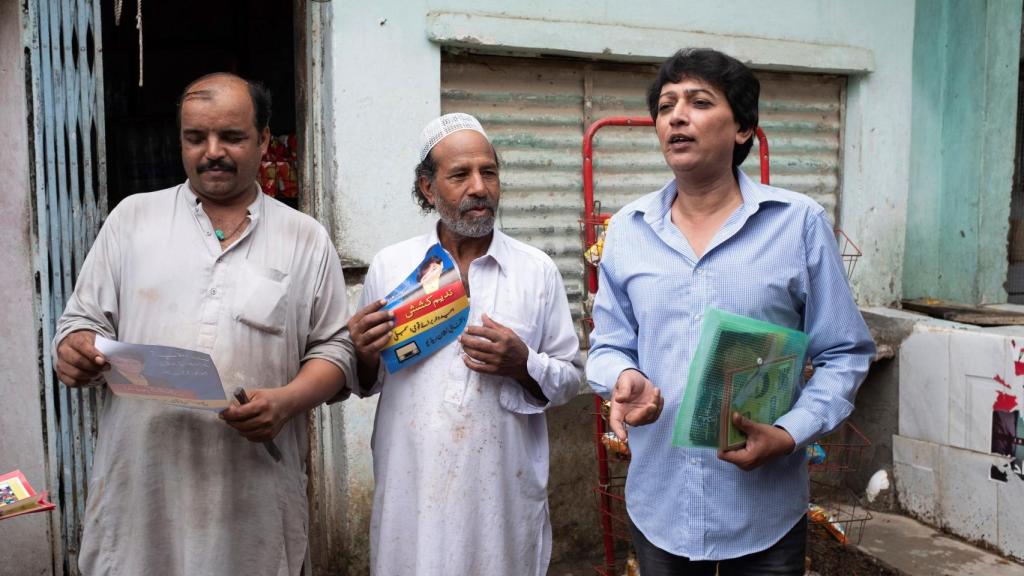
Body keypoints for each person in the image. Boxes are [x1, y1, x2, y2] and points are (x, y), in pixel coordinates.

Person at [586, 48, 875, 575]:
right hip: (661, 504)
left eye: (699, 102)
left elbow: (845, 353)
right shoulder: (627, 231)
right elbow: (608, 344)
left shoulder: (798, 224)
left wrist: (790, 433)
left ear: (742, 128)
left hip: (764, 510)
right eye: (667, 105)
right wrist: (624, 378)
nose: (677, 115)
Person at [53, 72, 355, 576]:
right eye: (196, 137)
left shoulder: (304, 238)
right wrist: (76, 351)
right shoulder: (132, 219)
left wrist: (285, 403)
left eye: (232, 137)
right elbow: (80, 323)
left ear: (263, 140)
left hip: (253, 500)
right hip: (142, 497)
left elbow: (336, 352)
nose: (212, 151)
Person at [346, 112, 583, 576]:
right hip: (411, 489)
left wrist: (523, 364)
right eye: (460, 175)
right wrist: (362, 349)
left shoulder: (536, 270)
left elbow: (570, 379)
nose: (479, 187)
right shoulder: (392, 267)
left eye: (489, 172)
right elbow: (366, 380)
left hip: (501, 494)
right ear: (428, 189)